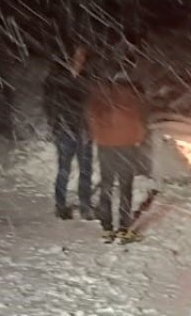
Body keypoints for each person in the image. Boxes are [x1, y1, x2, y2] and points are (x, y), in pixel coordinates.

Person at [86, 67, 147, 243]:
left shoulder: (102, 94)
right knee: (125, 186)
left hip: (106, 144)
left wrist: (98, 135)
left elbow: (91, 114)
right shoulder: (134, 95)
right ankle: (123, 229)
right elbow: (141, 120)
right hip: (127, 145)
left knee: (106, 185)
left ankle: (107, 228)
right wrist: (138, 138)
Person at [43, 44, 93, 220]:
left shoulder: (87, 78)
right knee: (64, 169)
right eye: (78, 56)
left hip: (83, 129)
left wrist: (90, 127)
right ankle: (60, 205)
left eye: (83, 56)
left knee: (85, 170)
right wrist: (54, 125)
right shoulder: (58, 79)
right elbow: (50, 104)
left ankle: (85, 205)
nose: (81, 60)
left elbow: (93, 104)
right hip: (65, 128)